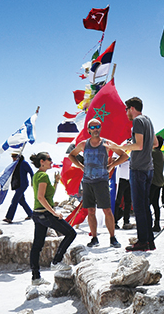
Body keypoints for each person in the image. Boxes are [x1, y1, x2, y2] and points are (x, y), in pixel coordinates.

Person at [67, 118, 127, 248]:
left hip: (102, 181)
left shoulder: (107, 143)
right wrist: (81, 166)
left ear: (100, 128)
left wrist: (112, 166)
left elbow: (124, 155)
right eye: (92, 127)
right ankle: (94, 238)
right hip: (88, 182)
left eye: (97, 126)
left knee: (107, 210)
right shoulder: (83, 144)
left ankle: (112, 238)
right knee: (91, 211)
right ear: (88, 130)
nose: (95, 129)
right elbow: (71, 155)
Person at [29, 152, 78, 285]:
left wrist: (56, 182)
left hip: (37, 214)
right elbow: (40, 197)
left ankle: (35, 277)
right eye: (49, 159)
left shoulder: (38, 175)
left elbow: (48, 195)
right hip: (45, 214)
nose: (51, 161)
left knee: (37, 246)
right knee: (71, 233)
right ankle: (56, 261)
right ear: (42, 161)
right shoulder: (43, 176)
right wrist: (54, 213)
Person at [122, 97, 157, 252]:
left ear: (132, 108)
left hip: (138, 168)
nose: (126, 112)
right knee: (145, 205)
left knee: (138, 207)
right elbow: (155, 143)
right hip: (149, 167)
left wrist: (122, 147)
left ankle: (143, 241)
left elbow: (139, 145)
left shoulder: (137, 122)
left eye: (126, 109)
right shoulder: (148, 120)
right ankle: (149, 240)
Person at [3, 152, 34, 223]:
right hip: (17, 185)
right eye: (12, 157)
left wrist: (33, 181)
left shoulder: (24, 163)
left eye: (14, 157)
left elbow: (31, 172)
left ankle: (9, 217)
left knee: (14, 200)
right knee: (22, 201)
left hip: (22, 185)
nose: (13, 158)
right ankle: (31, 214)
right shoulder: (14, 164)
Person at [150, 135, 164, 232]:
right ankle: (156, 224)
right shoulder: (160, 153)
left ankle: (148, 223)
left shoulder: (153, 153)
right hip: (159, 181)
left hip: (153, 181)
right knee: (155, 204)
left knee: (147, 203)